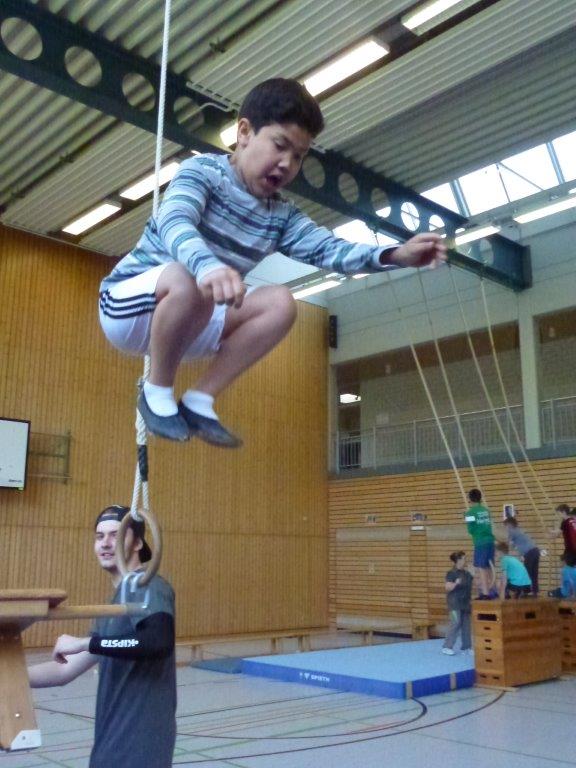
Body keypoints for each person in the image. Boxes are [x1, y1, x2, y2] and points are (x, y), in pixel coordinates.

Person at [99, 78, 446, 446]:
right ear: (244, 133)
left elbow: (330, 249)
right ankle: (157, 392)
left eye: (298, 156)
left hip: (194, 322)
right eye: (280, 146)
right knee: (187, 278)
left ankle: (199, 400)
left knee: (280, 303)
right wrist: (207, 265)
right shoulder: (202, 172)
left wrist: (395, 255)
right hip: (130, 308)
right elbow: (175, 220)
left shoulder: (280, 215)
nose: (286, 164)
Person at [28, 505, 176, 768]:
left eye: (115, 535)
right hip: (110, 743)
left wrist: (87, 642)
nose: (106, 543)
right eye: (100, 536)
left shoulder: (146, 585)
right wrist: (9, 677)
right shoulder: (114, 606)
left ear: (137, 543)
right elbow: (64, 671)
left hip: (139, 747)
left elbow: (158, 641)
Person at [464, 488, 495, 599]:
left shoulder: (470, 513)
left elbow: (470, 530)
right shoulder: (486, 511)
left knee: (482, 567)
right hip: (490, 540)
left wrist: (467, 519)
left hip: (480, 541)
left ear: (470, 499)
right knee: (489, 566)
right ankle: (493, 590)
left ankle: (485, 593)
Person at [442, 551, 474, 656]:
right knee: (455, 623)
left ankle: (466, 647)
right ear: (458, 560)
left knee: (466, 625)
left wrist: (473, 573)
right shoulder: (451, 573)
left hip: (465, 603)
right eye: (464, 558)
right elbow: (447, 587)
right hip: (454, 603)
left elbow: (471, 586)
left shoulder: (466, 573)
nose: (466, 560)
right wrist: (456, 583)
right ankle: (447, 647)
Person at [503, 514, 540, 595]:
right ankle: (535, 591)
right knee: (534, 573)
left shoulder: (512, 531)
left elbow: (507, 543)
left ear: (509, 525)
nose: (505, 529)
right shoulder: (519, 530)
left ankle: (525, 591)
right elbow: (515, 544)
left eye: (506, 526)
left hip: (530, 552)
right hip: (535, 550)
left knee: (526, 572)